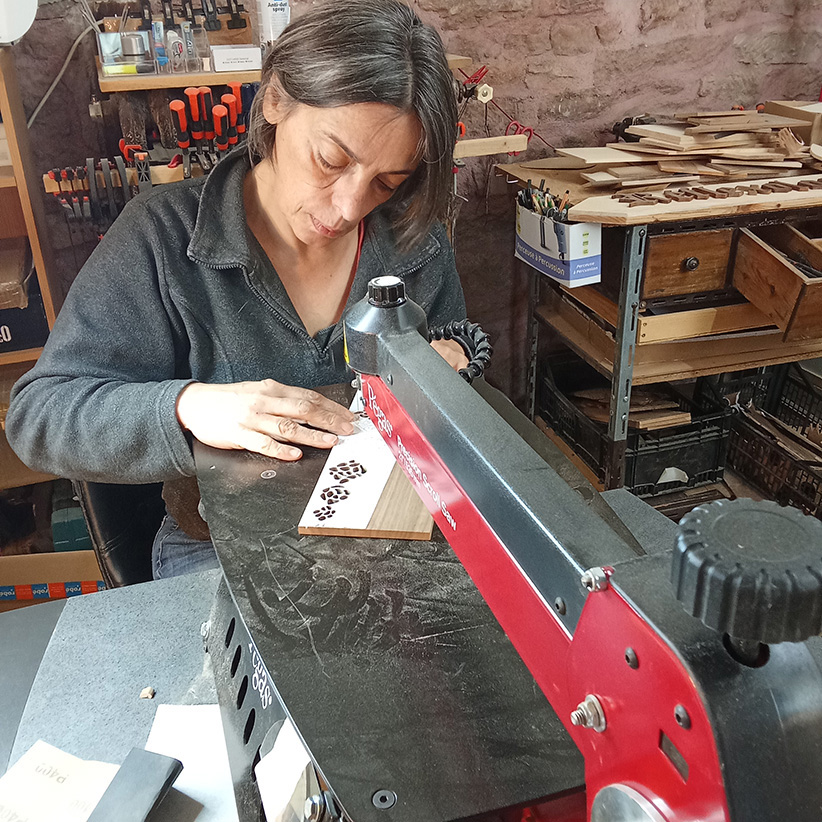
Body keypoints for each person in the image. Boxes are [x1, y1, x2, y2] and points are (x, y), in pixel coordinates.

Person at [5, 0, 468, 579]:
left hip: (390, 533)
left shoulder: (413, 242)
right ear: (274, 100)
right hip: (222, 549)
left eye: (386, 182)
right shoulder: (163, 238)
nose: (349, 207)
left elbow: (457, 376)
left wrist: (455, 367)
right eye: (330, 160)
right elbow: (40, 416)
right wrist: (188, 407)